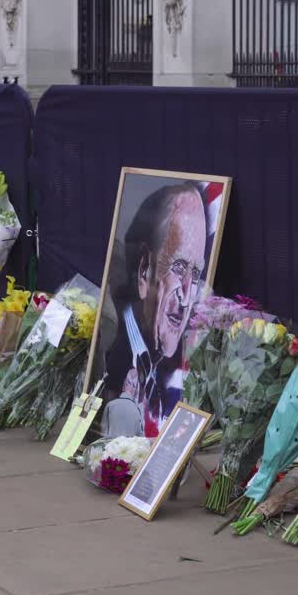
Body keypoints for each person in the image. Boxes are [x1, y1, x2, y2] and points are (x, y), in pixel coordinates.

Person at [104, 183, 209, 437]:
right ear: (144, 271)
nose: (186, 298)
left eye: (195, 275)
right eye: (179, 267)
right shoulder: (108, 348)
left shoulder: (165, 371)